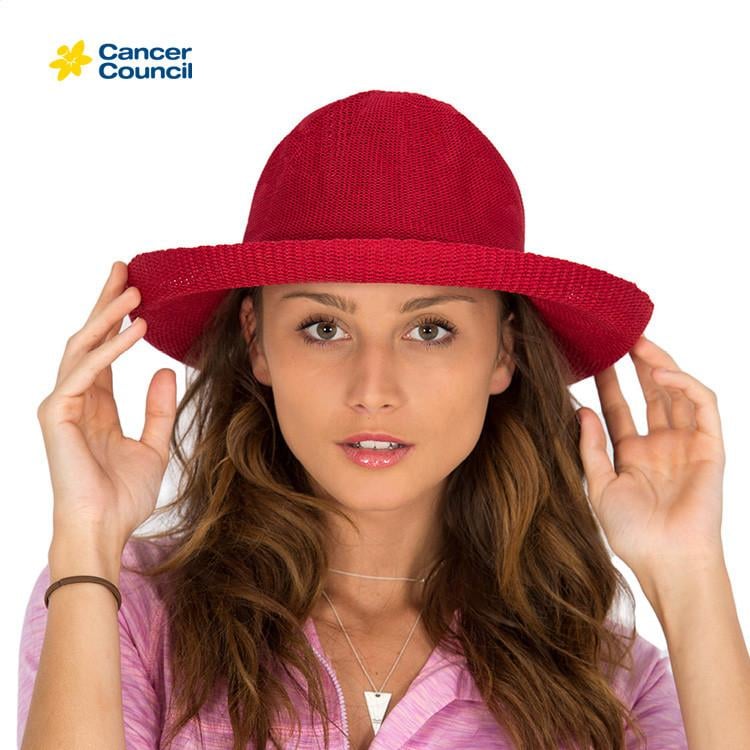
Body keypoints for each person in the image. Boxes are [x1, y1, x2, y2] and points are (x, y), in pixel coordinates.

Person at [17, 89, 745, 750]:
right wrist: (87, 534)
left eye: (429, 330)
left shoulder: (609, 683)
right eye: (324, 327)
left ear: (504, 352)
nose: (373, 389)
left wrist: (689, 572)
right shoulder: (119, 605)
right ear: (256, 341)